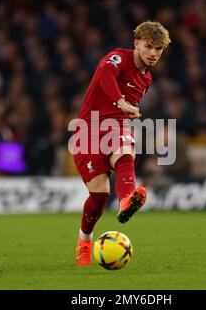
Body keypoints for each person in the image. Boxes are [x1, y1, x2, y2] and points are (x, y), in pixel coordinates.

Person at [72, 21, 171, 266]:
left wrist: (125, 112)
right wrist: (121, 102)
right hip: (88, 128)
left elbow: (124, 116)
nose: (153, 54)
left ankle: (126, 199)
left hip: (116, 127)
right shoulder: (118, 57)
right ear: (136, 43)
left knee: (126, 152)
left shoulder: (146, 79)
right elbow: (106, 75)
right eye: (149, 47)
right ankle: (84, 241)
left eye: (159, 49)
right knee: (99, 194)